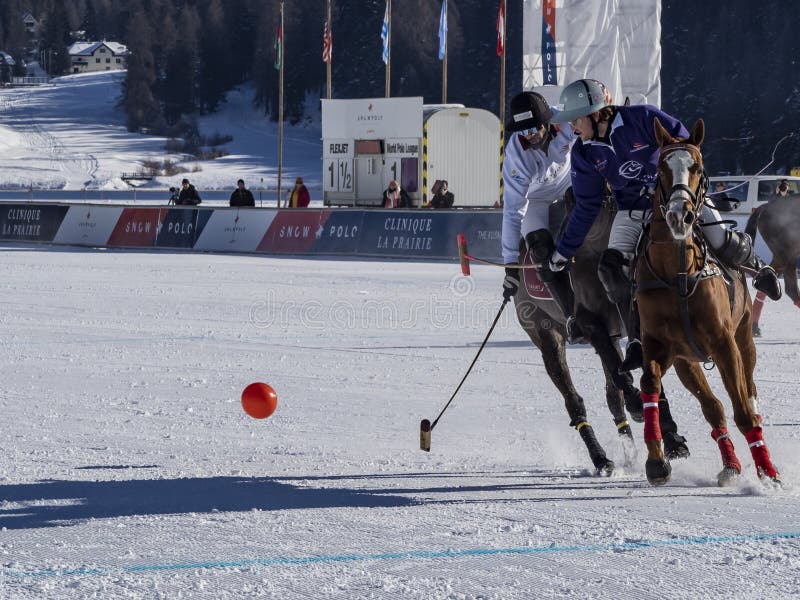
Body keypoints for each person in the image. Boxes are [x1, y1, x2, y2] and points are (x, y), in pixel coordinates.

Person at [549, 78, 782, 371]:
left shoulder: (644, 118)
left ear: (596, 113)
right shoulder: (583, 152)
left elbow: (688, 147)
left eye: (575, 119)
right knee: (610, 267)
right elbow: (586, 204)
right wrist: (563, 250)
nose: (572, 127)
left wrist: (677, 189)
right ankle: (635, 339)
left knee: (719, 236)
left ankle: (760, 269)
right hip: (632, 209)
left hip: (677, 200)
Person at [499, 90, 581, 341]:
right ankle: (571, 317)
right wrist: (511, 264)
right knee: (541, 250)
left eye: (533, 128)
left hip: (572, 183)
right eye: (522, 131)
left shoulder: (567, 120)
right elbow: (513, 211)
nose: (529, 136)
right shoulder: (516, 155)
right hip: (536, 199)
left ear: (546, 120)